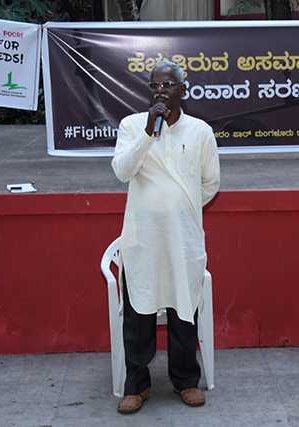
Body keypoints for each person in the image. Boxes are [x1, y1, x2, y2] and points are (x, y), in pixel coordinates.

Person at [111, 60, 221, 414]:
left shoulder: (200, 131)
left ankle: (185, 381)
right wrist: (147, 133)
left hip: (183, 239)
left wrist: (179, 208)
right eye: (155, 85)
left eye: (168, 85)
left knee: (183, 310)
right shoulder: (132, 126)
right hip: (142, 239)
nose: (160, 91)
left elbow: (210, 183)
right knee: (138, 315)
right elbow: (122, 171)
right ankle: (136, 385)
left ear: (182, 90)